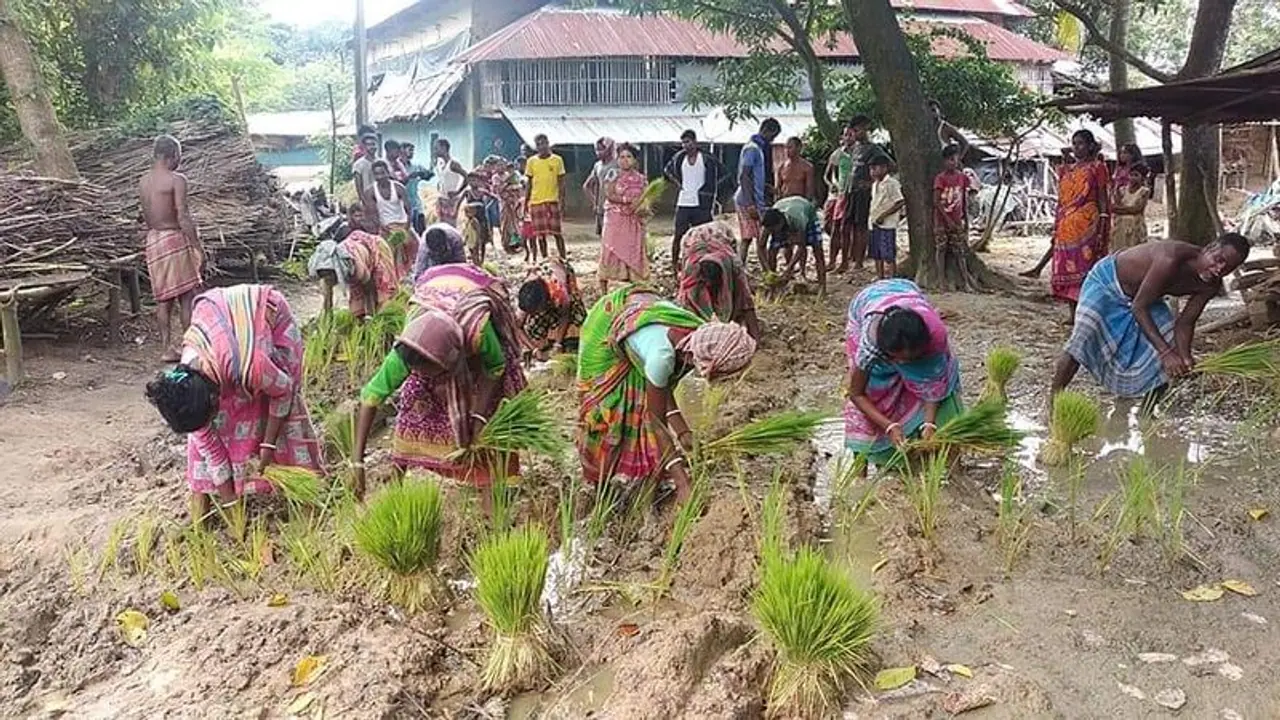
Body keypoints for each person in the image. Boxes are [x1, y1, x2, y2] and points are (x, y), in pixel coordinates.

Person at [145, 284, 322, 522]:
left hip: (270, 319)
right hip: (221, 330)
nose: (210, 421)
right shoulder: (186, 382)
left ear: (212, 396)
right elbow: (209, 446)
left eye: (210, 414)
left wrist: (268, 446)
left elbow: (283, 392)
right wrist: (232, 513)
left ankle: (308, 498)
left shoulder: (254, 366)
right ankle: (201, 512)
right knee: (203, 437)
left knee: (278, 409)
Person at [352, 264, 527, 496]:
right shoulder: (408, 350)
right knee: (414, 398)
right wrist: (357, 463)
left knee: (489, 420)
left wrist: (478, 416)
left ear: (454, 359)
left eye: (435, 373)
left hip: (471, 293)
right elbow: (370, 398)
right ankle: (397, 480)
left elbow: (495, 368)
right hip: (433, 294)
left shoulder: (479, 332)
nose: (432, 380)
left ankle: (489, 485)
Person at [576, 286, 757, 500]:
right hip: (605, 326)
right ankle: (600, 489)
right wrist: (682, 483)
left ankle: (646, 482)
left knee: (649, 398)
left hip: (639, 315)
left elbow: (662, 387)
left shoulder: (698, 336)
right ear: (710, 365)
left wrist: (682, 433)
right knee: (604, 416)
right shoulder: (661, 356)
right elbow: (656, 422)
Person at [1050, 235, 1250, 403]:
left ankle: (1148, 411)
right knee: (1082, 337)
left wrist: (1184, 357)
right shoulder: (1170, 258)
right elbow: (1139, 307)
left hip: (1146, 296)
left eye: (1227, 268)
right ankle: (1054, 399)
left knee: (1169, 341)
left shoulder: (1210, 285)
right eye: (1218, 259)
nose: (1218, 269)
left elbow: (1185, 323)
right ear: (1210, 247)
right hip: (1108, 283)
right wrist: (1165, 353)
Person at [843, 279, 962, 467]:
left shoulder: (935, 337)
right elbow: (856, 393)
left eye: (911, 358)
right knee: (877, 393)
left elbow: (933, 382)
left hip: (907, 292)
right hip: (866, 303)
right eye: (897, 358)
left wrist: (929, 424)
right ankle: (862, 465)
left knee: (922, 378)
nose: (904, 364)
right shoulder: (869, 345)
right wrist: (889, 426)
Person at [1022, 131, 1110, 300]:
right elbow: (1064, 195)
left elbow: (1102, 196)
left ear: (1091, 146)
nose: (1076, 147)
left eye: (1080, 144)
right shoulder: (1070, 169)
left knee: (1084, 266)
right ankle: (1071, 312)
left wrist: (1103, 222)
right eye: (1074, 143)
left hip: (1087, 222)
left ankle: (1083, 309)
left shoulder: (1098, 168)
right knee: (1067, 265)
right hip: (1066, 222)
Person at [140, 134, 205, 362]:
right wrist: (197, 246)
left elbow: (147, 215)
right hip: (173, 239)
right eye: (179, 155)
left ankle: (166, 348)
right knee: (187, 295)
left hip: (154, 240)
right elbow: (183, 215)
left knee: (163, 299)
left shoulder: (144, 181)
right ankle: (189, 347)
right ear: (171, 156)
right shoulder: (177, 180)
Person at [675, 222, 761, 339]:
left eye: (713, 282)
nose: (709, 284)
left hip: (722, 234)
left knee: (736, 292)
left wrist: (755, 338)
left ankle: (728, 316)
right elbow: (685, 300)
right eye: (706, 281)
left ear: (722, 276)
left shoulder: (733, 265)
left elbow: (746, 299)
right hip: (691, 239)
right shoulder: (692, 267)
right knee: (693, 295)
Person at [664, 129, 726, 273]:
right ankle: (674, 264)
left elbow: (722, 174)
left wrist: (713, 193)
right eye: (683, 142)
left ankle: (705, 262)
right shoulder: (679, 158)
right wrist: (678, 183)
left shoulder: (706, 158)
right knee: (679, 234)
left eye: (688, 142)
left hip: (702, 202)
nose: (686, 145)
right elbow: (667, 170)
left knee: (704, 235)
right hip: (684, 201)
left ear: (695, 142)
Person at [599, 143, 650, 293]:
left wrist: (641, 207)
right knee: (611, 250)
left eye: (628, 157)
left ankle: (636, 286)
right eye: (621, 157)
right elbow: (609, 194)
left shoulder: (641, 179)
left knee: (633, 249)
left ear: (634, 160)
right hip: (615, 219)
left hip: (633, 219)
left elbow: (646, 197)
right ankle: (605, 290)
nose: (624, 160)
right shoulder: (612, 174)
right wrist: (627, 200)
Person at [516, 255, 587, 360]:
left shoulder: (559, 290)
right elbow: (517, 325)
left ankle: (561, 339)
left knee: (577, 316)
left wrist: (558, 344)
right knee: (535, 328)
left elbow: (565, 315)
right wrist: (534, 350)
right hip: (544, 283)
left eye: (537, 311)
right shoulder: (528, 294)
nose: (534, 314)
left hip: (561, 271)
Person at [735, 118, 782, 266]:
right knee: (750, 238)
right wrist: (750, 204)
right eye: (773, 136)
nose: (772, 140)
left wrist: (767, 187)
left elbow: (755, 176)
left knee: (757, 238)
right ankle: (741, 270)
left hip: (756, 199)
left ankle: (765, 271)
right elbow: (744, 175)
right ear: (767, 131)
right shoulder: (752, 149)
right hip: (747, 200)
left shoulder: (758, 149)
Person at [338, 205, 399, 316]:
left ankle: (378, 314)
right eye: (356, 216)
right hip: (356, 258)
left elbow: (368, 284)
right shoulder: (344, 229)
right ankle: (363, 315)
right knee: (358, 291)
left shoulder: (368, 226)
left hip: (375, 255)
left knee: (378, 288)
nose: (359, 218)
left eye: (361, 215)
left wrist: (370, 314)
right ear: (350, 216)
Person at [363, 160, 419, 280]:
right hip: (385, 227)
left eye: (382, 173)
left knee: (416, 246)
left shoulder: (399, 188)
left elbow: (409, 210)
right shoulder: (370, 192)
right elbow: (373, 214)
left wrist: (407, 227)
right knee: (386, 253)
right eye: (377, 174)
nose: (380, 177)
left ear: (388, 172)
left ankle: (410, 274)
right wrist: (382, 229)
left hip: (403, 224)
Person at [762, 196, 828, 296]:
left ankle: (822, 287)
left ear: (780, 223)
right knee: (772, 251)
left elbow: (801, 247)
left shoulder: (797, 219)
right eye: (770, 230)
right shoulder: (769, 223)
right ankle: (773, 288)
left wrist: (788, 269)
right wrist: (767, 270)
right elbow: (761, 246)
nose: (771, 232)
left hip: (808, 216)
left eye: (773, 230)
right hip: (785, 206)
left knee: (818, 250)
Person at [934, 144, 974, 287]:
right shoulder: (940, 178)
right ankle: (941, 281)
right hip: (941, 221)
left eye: (956, 159)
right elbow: (936, 202)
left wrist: (966, 219)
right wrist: (947, 219)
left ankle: (965, 282)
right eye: (950, 160)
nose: (954, 162)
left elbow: (964, 199)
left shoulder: (962, 178)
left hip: (957, 220)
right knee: (941, 249)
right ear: (944, 161)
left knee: (959, 252)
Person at [525, 134, 568, 261]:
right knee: (540, 235)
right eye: (538, 144)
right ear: (536, 147)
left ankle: (563, 259)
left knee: (557, 233)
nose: (542, 146)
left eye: (544, 143)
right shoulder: (531, 162)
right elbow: (529, 183)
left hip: (552, 201)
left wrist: (562, 201)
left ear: (548, 143)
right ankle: (545, 260)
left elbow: (561, 183)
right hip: (536, 202)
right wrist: (525, 202)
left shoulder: (557, 160)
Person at [824, 123, 857, 276]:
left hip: (853, 194)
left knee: (846, 228)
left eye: (851, 134)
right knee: (834, 227)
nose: (848, 137)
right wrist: (832, 185)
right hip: (839, 194)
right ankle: (832, 261)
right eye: (846, 134)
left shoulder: (859, 154)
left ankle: (845, 261)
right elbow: (827, 175)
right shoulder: (837, 154)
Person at [868, 154, 905, 281]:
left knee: (888, 252)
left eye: (875, 168)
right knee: (876, 252)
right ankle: (880, 276)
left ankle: (892, 276)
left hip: (887, 224)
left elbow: (899, 201)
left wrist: (884, 215)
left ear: (884, 168)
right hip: (874, 222)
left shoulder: (892, 183)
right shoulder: (875, 185)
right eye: (871, 169)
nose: (872, 172)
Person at [582, 137, 620, 238]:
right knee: (605, 238)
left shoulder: (618, 164)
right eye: (596, 149)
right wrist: (595, 203)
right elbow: (587, 186)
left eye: (601, 149)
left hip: (618, 207)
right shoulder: (597, 166)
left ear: (609, 149)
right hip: (602, 207)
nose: (598, 152)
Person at [1111, 163, 1151, 254]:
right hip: (1121, 226)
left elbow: (1137, 209)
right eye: (1131, 174)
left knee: (1134, 251)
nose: (1132, 178)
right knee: (1119, 251)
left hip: (1135, 226)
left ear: (1143, 178)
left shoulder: (1144, 191)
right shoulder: (1122, 190)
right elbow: (1114, 205)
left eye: (1136, 175)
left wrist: (1120, 209)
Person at [434, 138, 468, 227]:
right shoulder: (441, 164)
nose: (435, 151)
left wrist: (458, 192)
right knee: (442, 226)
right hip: (442, 199)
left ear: (444, 148)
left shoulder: (453, 164)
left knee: (451, 226)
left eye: (437, 148)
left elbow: (467, 177)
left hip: (451, 201)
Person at [401, 142, 434, 235]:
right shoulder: (396, 167)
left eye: (413, 151)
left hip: (415, 202)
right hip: (402, 204)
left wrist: (426, 174)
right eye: (410, 150)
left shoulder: (416, 166)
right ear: (402, 151)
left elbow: (428, 176)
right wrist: (410, 176)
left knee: (420, 229)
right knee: (406, 232)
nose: (412, 153)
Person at [497, 159, 527, 256]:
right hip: (504, 204)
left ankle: (515, 244)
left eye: (502, 165)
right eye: (499, 165)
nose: (500, 167)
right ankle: (506, 244)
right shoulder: (496, 177)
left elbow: (520, 188)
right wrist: (507, 185)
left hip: (514, 203)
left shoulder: (513, 175)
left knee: (515, 224)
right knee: (505, 224)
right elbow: (498, 190)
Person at [776, 137, 815, 201]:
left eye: (790, 147)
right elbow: (778, 188)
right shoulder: (782, 167)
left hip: (800, 201)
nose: (787, 150)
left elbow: (809, 189)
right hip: (785, 200)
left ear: (798, 148)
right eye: (786, 148)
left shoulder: (807, 167)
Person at [352, 133, 379, 201]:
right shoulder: (358, 164)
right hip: (368, 199)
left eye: (373, 144)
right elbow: (358, 185)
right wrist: (363, 200)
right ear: (364, 146)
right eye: (369, 145)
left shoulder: (381, 162)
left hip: (381, 198)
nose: (372, 147)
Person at [461, 201, 489, 266]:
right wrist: (465, 240)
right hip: (470, 240)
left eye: (468, 212)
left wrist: (477, 240)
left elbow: (478, 231)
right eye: (466, 212)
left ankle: (478, 264)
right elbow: (466, 231)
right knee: (472, 253)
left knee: (475, 253)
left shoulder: (475, 221)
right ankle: (475, 263)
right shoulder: (467, 221)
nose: (467, 214)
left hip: (474, 240)